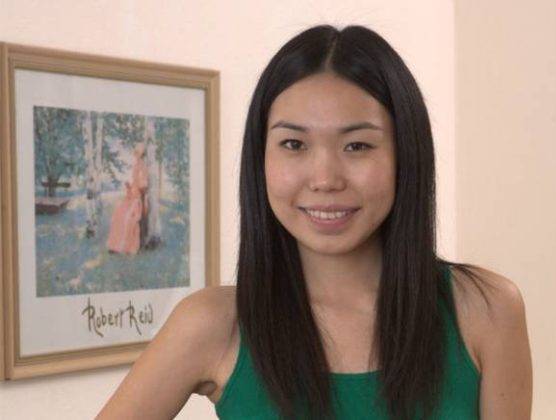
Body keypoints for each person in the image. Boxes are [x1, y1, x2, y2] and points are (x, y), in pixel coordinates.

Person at [96, 25, 532, 420]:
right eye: (293, 144)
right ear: (260, 157)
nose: (325, 179)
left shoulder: (487, 310)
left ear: (406, 155)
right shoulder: (213, 324)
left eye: (357, 145)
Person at [106, 142, 149, 255]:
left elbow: (143, 187)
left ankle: (125, 246)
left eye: (138, 153)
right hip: (131, 198)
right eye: (135, 152)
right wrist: (129, 187)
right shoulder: (136, 165)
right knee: (118, 214)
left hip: (137, 200)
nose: (135, 154)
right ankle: (115, 245)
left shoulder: (143, 167)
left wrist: (137, 192)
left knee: (128, 217)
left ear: (141, 155)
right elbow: (135, 185)